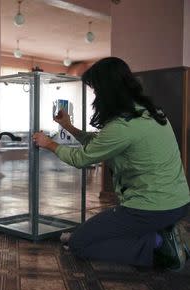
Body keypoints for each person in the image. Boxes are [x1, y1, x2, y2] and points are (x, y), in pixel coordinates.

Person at [32, 57, 190, 271]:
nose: (95, 96)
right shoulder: (149, 112)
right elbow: (100, 144)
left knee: (79, 244)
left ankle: (159, 248)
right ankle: (160, 233)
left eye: (96, 90)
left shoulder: (122, 126)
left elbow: (81, 159)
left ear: (108, 90)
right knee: (89, 233)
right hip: (178, 203)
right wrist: (68, 127)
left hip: (150, 208)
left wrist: (48, 143)